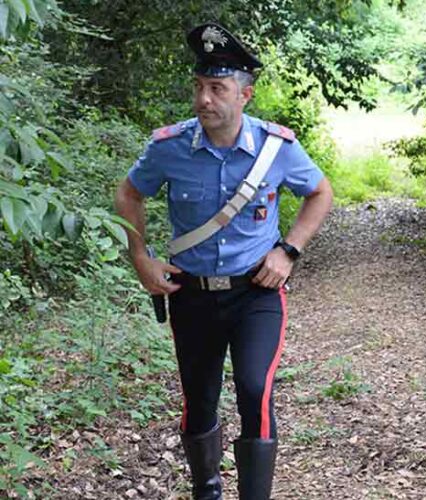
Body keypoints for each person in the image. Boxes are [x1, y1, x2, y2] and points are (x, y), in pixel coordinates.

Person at [114, 22, 333, 498]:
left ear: (245, 95)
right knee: (199, 400)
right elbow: (130, 193)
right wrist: (140, 257)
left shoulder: (277, 149)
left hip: (256, 294)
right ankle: (207, 490)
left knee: (255, 389)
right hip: (190, 295)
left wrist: (288, 250)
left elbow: (320, 192)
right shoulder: (169, 147)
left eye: (218, 88)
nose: (204, 99)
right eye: (199, 87)